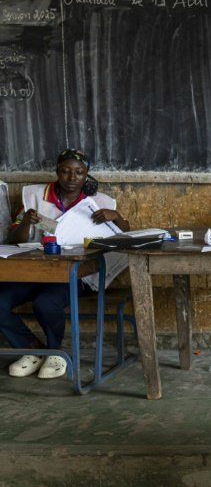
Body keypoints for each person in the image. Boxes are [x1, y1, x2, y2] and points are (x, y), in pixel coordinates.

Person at [1, 149, 130, 379]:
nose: (72, 178)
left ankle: (55, 352)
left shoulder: (100, 202)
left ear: (86, 174)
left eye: (79, 172)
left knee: (45, 303)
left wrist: (117, 217)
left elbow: (125, 237)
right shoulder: (34, 196)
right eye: (65, 171)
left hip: (77, 274)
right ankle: (32, 349)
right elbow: (14, 239)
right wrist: (26, 222)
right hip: (35, 271)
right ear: (57, 172)